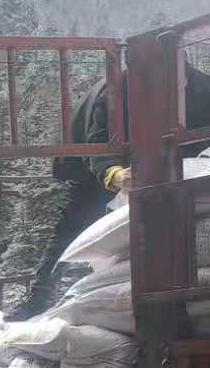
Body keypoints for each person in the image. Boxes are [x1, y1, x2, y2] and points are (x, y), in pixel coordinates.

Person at [13, 64, 210, 318]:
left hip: (169, 164)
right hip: (99, 166)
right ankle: (39, 297)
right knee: (73, 226)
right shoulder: (114, 93)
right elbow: (97, 142)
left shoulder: (203, 90)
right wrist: (115, 174)